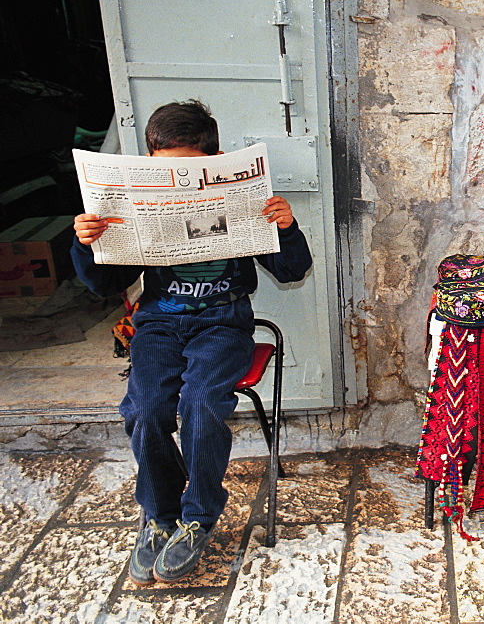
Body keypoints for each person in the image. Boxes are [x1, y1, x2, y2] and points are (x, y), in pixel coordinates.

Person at [70, 100, 313, 584]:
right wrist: (86, 243)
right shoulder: (135, 201)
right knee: (144, 410)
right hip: (159, 324)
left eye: (189, 170)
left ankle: (198, 516)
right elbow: (101, 286)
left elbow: (291, 271)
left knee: (201, 403)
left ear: (213, 159)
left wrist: (286, 228)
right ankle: (159, 517)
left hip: (223, 323)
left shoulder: (242, 200)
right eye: (166, 171)